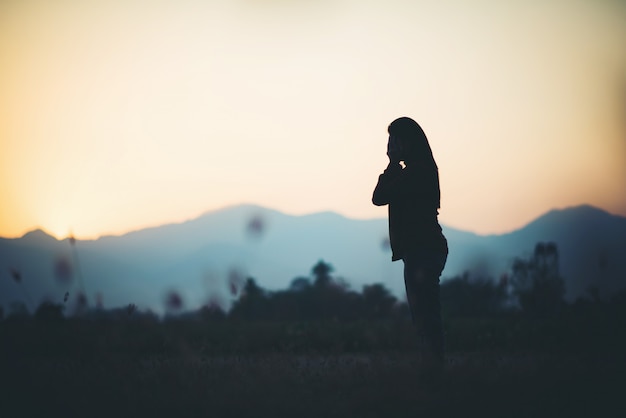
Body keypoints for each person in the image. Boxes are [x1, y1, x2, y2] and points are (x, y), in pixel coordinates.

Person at [372, 117, 448, 374]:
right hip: (421, 250)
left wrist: (392, 164)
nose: (391, 145)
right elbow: (380, 197)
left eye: (395, 139)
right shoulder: (418, 170)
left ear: (407, 142)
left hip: (423, 250)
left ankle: (435, 372)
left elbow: (379, 197)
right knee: (424, 315)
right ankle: (432, 370)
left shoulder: (418, 172)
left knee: (425, 316)